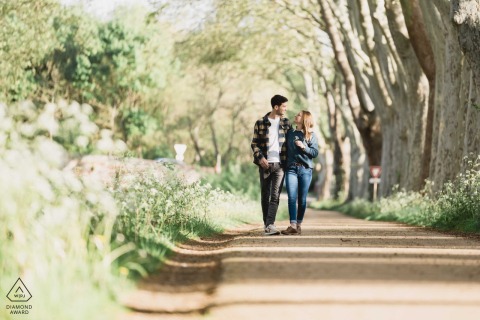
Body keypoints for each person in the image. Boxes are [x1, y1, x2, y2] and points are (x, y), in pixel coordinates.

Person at [251, 95, 291, 235]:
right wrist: (260, 158)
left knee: (275, 196)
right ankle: (267, 225)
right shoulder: (260, 122)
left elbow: (291, 143)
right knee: (265, 195)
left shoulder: (286, 123)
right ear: (276, 107)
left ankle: (270, 225)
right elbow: (254, 144)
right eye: (284, 106)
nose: (285, 109)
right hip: (265, 164)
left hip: (280, 165)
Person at [281, 111, 319, 235]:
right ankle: (292, 225)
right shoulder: (290, 133)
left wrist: (304, 147)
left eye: (298, 115)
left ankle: (298, 224)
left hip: (306, 170)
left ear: (304, 119)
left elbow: (314, 153)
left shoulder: (311, 136)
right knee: (291, 197)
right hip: (291, 169)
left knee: (302, 200)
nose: (295, 116)